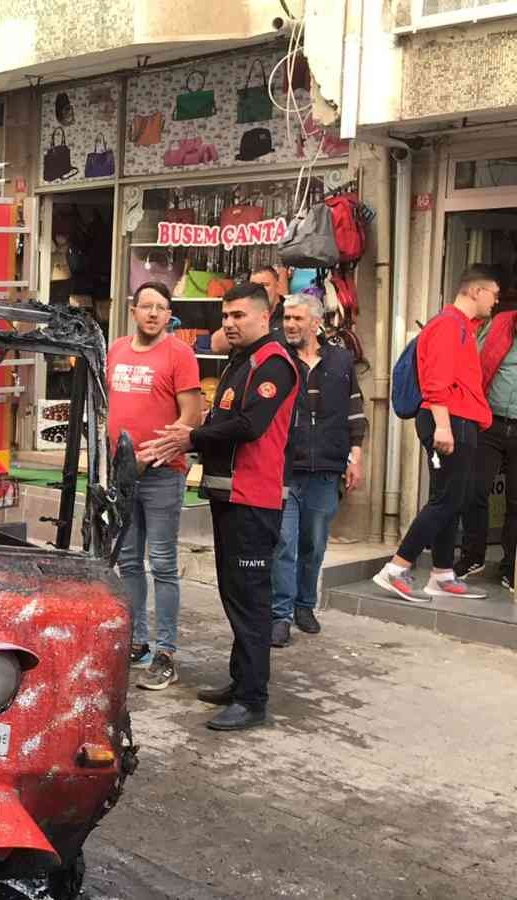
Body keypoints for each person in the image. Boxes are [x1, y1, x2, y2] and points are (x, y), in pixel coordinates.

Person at [141, 281, 297, 731]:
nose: (228, 323)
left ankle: (252, 699)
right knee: (234, 594)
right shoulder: (240, 361)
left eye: (238, 316)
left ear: (263, 317)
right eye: (225, 316)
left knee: (250, 601)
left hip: (255, 499)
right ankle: (239, 681)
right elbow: (223, 419)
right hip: (229, 495)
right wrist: (193, 435)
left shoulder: (273, 364)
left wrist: (190, 437)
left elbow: (249, 426)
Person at [374, 266, 498, 602]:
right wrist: (443, 425)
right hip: (450, 420)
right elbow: (436, 380)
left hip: (457, 420)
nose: (496, 301)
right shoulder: (448, 325)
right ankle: (396, 568)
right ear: (475, 291)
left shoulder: (462, 327)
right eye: (493, 293)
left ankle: (442, 574)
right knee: (447, 500)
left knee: (450, 498)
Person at [106, 282, 202, 690]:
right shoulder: (116, 350)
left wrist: (152, 455)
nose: (152, 313)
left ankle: (166, 652)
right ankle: (137, 641)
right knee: (128, 561)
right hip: (121, 471)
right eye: (146, 306)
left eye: (161, 308)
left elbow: (192, 416)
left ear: (169, 315)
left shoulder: (179, 353)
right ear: (133, 310)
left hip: (163, 472)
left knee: (162, 562)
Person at [271, 293, 368, 646]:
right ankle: (279, 615)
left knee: (313, 544)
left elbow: (355, 411)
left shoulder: (341, 360)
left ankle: (304, 606)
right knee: (284, 542)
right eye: (287, 318)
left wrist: (354, 456)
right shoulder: (278, 359)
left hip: (326, 468)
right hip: (285, 467)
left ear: (316, 322)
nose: (291, 325)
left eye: (298, 319)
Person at [456, 283, 517, 588]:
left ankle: (510, 566)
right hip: (490, 422)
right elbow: (473, 362)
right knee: (475, 491)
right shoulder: (499, 326)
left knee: (516, 503)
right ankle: (472, 556)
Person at [208, 265, 288, 354]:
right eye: (253, 286)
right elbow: (216, 347)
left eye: (264, 285)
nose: (259, 291)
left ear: (277, 286)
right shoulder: (238, 312)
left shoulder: (290, 314)